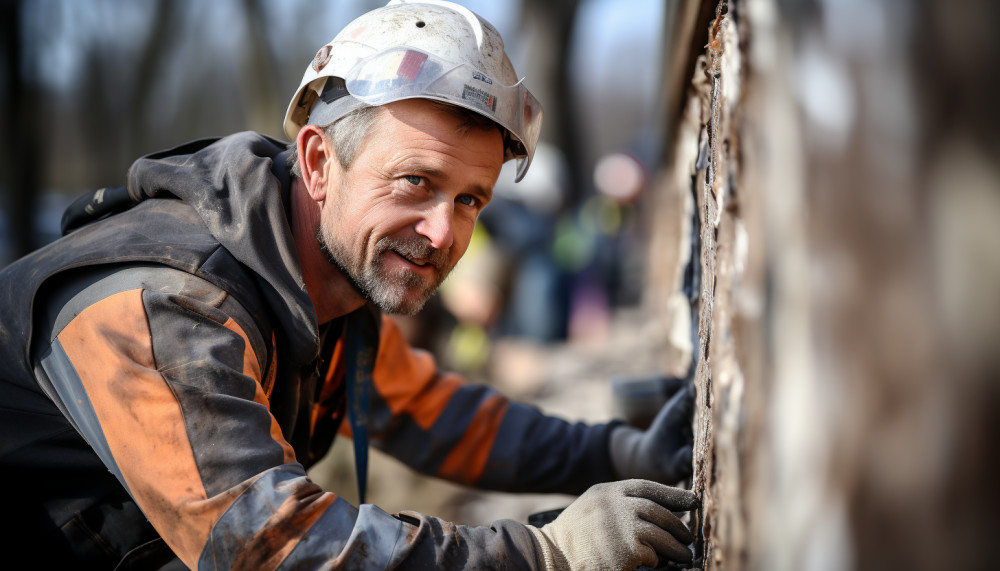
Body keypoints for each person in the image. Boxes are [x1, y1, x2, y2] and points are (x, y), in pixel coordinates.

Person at [0, 1, 696, 568]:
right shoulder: (167, 306)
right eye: (415, 182)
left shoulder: (328, 284)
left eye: (469, 200)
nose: (443, 233)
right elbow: (270, 547)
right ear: (319, 162)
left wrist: (617, 452)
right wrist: (544, 553)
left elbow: (436, 415)